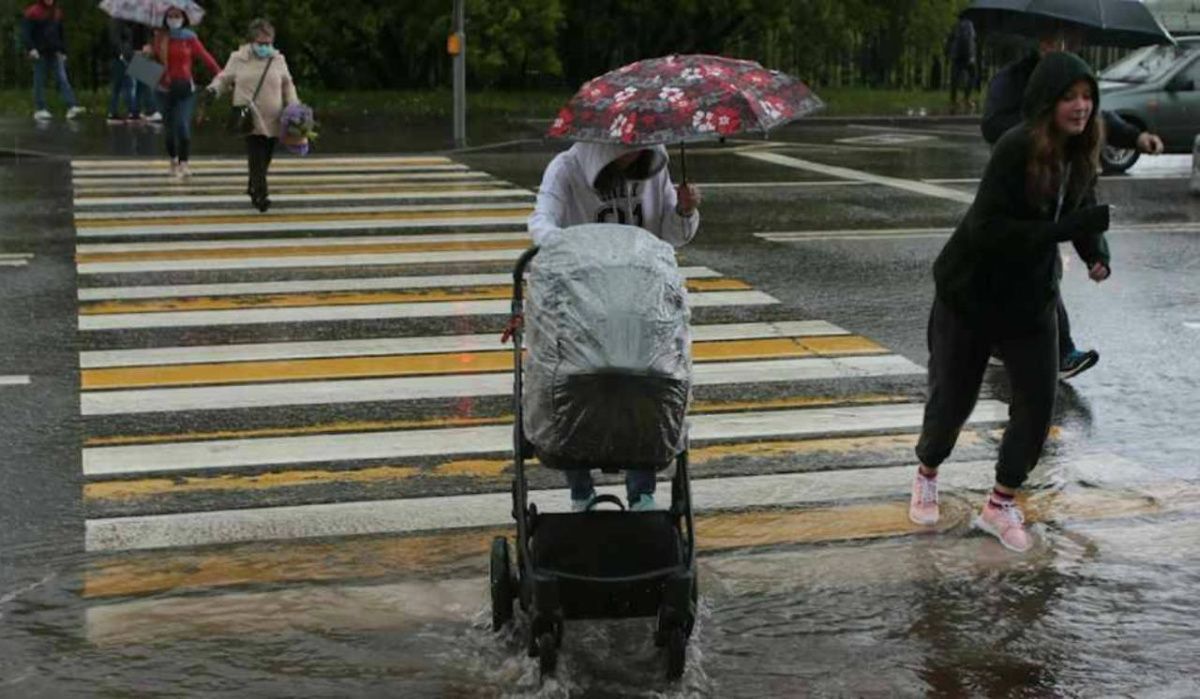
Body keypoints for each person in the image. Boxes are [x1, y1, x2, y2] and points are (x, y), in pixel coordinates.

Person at [909, 52, 1113, 552]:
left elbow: (1082, 208)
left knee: (1038, 402)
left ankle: (999, 504)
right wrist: (1062, 232)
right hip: (971, 294)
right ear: (1048, 101)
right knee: (953, 401)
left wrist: (1095, 252)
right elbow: (987, 231)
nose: (1081, 107)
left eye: (1088, 97)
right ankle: (927, 470)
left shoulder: (1084, 151)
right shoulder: (1016, 147)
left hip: (1031, 299)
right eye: (1070, 97)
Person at [981, 27, 1164, 380]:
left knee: (1040, 270)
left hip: (1048, 198)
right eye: (1053, 39)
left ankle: (1049, 350)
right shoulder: (1014, 80)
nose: (1060, 46)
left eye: (1068, 41)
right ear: (1038, 40)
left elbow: (1096, 126)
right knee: (1017, 271)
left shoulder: (1078, 129)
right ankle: (1014, 343)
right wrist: (1040, 125)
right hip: (1015, 193)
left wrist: (1096, 254)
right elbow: (993, 125)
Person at [528, 142, 701, 511]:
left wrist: (684, 209)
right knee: (577, 385)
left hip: (642, 299)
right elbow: (541, 221)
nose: (631, 153)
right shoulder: (567, 168)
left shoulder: (654, 170)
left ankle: (642, 492)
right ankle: (580, 491)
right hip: (582, 300)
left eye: (639, 146)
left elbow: (669, 235)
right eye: (623, 147)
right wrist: (573, 249)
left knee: (645, 386)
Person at [207, 18, 299, 212]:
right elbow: (224, 78)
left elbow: (287, 84)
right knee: (255, 153)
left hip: (274, 116)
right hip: (248, 114)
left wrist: (294, 106)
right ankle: (260, 193)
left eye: (269, 43)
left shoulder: (278, 59)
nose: (265, 47)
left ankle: (253, 184)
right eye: (261, 43)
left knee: (266, 155)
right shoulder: (238, 58)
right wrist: (213, 90)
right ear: (251, 41)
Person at [151, 7, 221, 179]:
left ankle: (184, 163)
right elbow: (145, 64)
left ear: (184, 18)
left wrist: (221, 74)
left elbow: (205, 57)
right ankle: (173, 161)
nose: (173, 19)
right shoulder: (159, 37)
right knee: (169, 128)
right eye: (170, 16)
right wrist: (147, 54)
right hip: (163, 89)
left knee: (182, 125)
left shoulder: (189, 38)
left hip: (184, 88)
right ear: (165, 18)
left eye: (177, 16)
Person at [20, 0, 84, 122]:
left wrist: (63, 50)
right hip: (39, 52)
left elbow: (60, 33)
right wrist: (31, 48)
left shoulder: (56, 12)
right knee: (39, 80)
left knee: (62, 79)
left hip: (55, 51)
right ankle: (40, 108)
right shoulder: (33, 12)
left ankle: (71, 106)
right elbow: (26, 33)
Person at [107, 18, 161, 124]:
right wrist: (125, 52)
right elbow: (116, 40)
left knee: (142, 80)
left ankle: (135, 111)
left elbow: (143, 36)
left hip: (132, 55)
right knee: (124, 84)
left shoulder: (137, 21)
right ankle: (147, 110)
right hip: (123, 56)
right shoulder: (118, 22)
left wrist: (146, 44)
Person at [946, 13, 977, 113]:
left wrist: (948, 53)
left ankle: (953, 101)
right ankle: (966, 98)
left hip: (956, 55)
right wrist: (971, 56)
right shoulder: (970, 25)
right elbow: (970, 41)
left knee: (954, 79)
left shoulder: (956, 25)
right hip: (967, 56)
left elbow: (950, 39)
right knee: (972, 76)